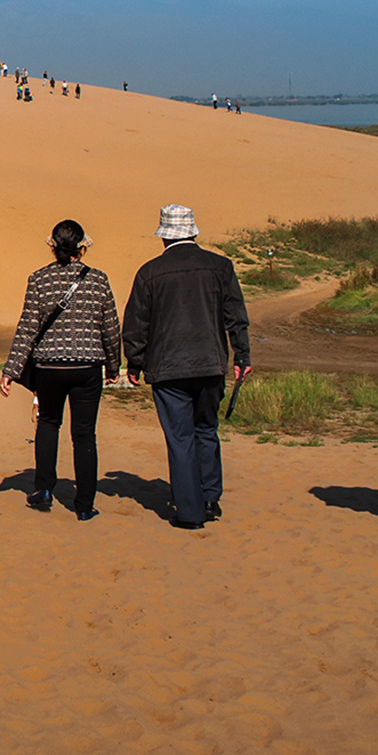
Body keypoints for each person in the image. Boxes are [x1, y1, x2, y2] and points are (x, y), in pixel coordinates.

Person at [123, 204, 252, 529]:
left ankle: (190, 511)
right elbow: (235, 315)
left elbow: (137, 323)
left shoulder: (149, 272)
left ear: (164, 237)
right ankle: (210, 499)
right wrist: (243, 356)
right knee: (206, 430)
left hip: (168, 369)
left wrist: (134, 363)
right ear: (193, 232)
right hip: (210, 365)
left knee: (180, 438)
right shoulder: (220, 266)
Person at [0, 219, 121, 521]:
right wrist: (114, 366)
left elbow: (27, 328)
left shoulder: (39, 279)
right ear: (82, 248)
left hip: (49, 366)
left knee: (48, 424)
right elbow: (110, 326)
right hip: (88, 367)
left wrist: (10, 370)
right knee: (84, 435)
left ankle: (43, 489)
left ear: (53, 247)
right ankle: (84, 505)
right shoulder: (98, 280)